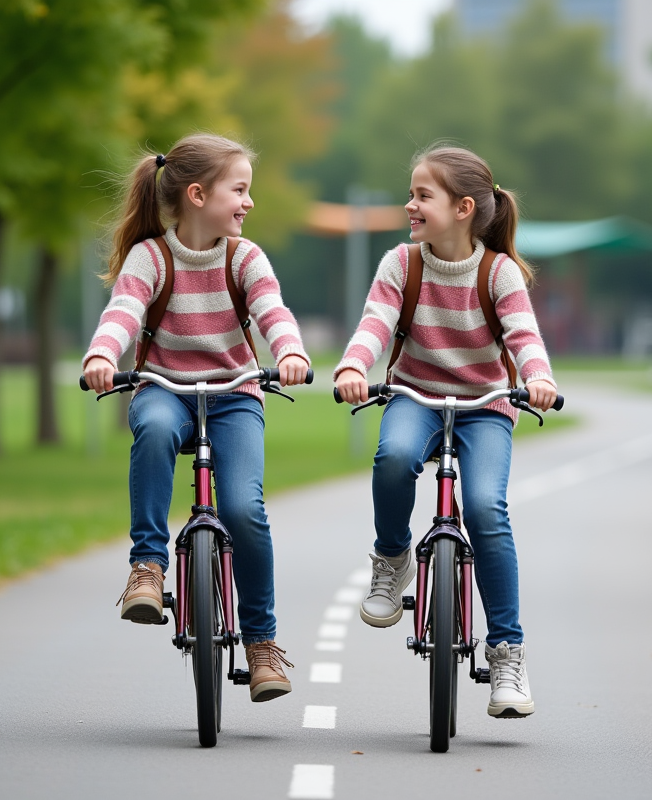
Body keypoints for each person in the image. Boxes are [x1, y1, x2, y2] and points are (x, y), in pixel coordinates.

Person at [83, 133, 309, 703]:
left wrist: (290, 352)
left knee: (243, 509)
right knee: (155, 428)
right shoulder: (151, 257)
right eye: (240, 190)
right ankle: (147, 566)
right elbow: (123, 310)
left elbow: (273, 311)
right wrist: (102, 355)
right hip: (166, 389)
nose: (249, 202)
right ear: (198, 195)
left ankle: (261, 644)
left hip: (235, 395)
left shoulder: (245, 257)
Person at [333, 144, 557, 718]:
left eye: (422, 196)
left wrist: (537, 378)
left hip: (486, 405)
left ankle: (506, 654)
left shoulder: (499, 272)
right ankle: (392, 559)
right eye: (410, 194)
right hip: (415, 395)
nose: (410, 205)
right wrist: (355, 365)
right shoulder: (401, 264)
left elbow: (523, 336)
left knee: (485, 508)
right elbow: (376, 323)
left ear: (463, 209)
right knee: (394, 455)